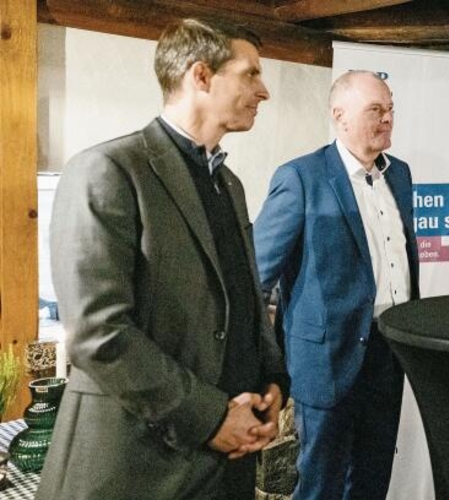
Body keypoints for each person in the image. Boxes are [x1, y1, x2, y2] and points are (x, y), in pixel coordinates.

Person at [38, 18, 287, 500]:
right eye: (250, 74)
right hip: (137, 466)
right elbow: (98, 332)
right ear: (201, 76)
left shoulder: (228, 185)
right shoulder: (107, 170)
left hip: (224, 465)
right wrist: (212, 417)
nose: (264, 91)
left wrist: (274, 381)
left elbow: (243, 297)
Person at [253, 70, 419, 500]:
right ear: (339, 116)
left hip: (389, 352)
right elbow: (256, 277)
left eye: (390, 109)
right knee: (322, 485)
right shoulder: (300, 178)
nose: (387, 119)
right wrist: (262, 364)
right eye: (375, 110)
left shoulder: (399, 175)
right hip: (325, 360)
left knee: (372, 477)